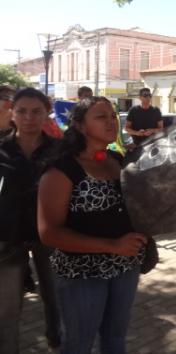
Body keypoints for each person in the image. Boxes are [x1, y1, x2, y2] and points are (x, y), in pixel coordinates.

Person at [38, 96, 148, 354]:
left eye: (112, 116)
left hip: (125, 266)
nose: (111, 122)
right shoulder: (61, 170)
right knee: (78, 344)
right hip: (82, 273)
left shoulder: (116, 160)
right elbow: (48, 233)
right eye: (101, 117)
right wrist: (111, 245)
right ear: (79, 125)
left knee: (115, 339)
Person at [0, 88, 62, 353]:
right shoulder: (1, 150)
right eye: (22, 111)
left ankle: (57, 344)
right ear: (12, 114)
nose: (29, 118)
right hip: (7, 238)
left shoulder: (59, 152)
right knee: (7, 310)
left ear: (46, 113)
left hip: (49, 236)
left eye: (36, 111)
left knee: (56, 301)